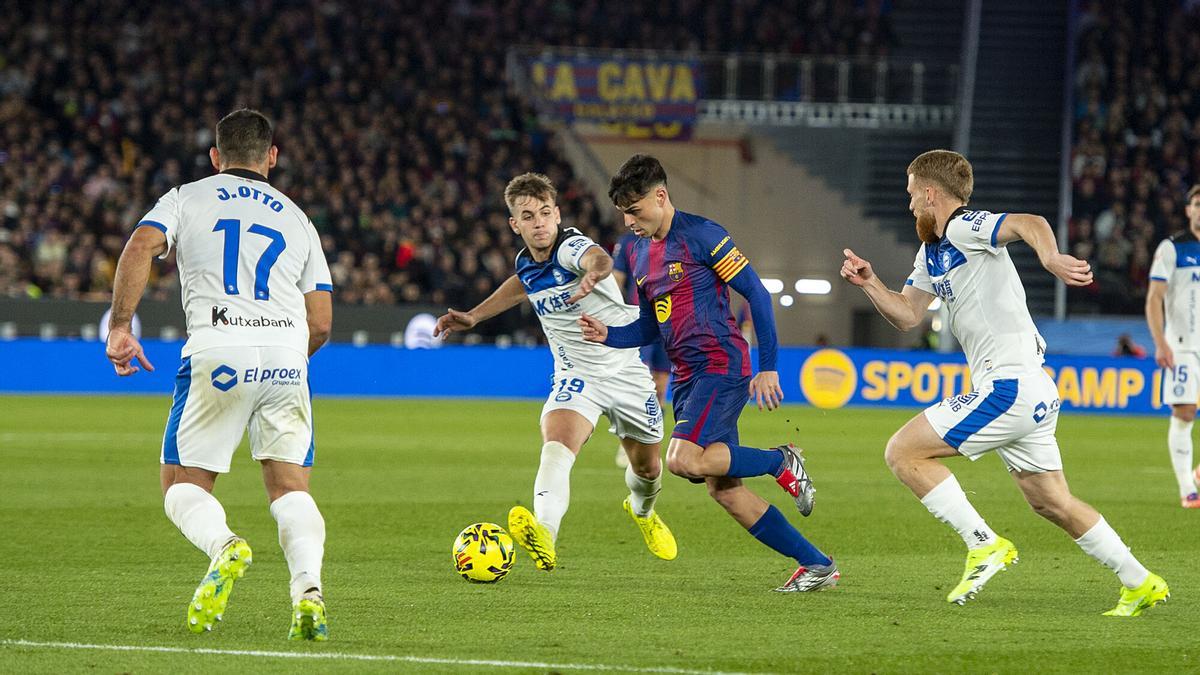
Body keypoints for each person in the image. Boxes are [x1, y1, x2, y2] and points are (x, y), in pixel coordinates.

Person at [840, 149, 1168, 616]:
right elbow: (909, 315)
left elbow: (1027, 222)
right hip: (1030, 389)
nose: (909, 201)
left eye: (912, 192)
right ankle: (1140, 581)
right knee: (1052, 503)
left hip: (1009, 385)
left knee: (903, 452)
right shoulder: (932, 249)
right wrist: (871, 283)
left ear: (930, 193)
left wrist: (1051, 257)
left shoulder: (962, 225)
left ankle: (984, 544)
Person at [105, 109, 333, 639]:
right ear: (271, 156)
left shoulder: (187, 197)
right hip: (286, 355)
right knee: (290, 487)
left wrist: (120, 326)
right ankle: (308, 592)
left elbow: (141, 246)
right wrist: (282, 355)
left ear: (216, 157)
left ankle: (225, 546)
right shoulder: (300, 218)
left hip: (217, 348)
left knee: (181, 484)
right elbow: (320, 323)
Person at [580, 154, 835, 592]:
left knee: (681, 459)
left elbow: (757, 294)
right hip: (685, 376)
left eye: (635, 210)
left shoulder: (703, 236)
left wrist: (768, 367)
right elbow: (649, 326)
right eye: (623, 213)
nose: (628, 222)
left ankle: (780, 460)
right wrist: (610, 335)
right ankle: (817, 565)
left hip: (721, 365)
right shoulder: (639, 254)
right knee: (724, 490)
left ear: (661, 196)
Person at [434, 172, 676, 570]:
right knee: (557, 446)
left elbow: (596, 257)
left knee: (648, 470)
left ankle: (643, 512)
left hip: (626, 371)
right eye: (528, 216)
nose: (540, 222)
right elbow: (521, 282)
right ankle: (544, 532)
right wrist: (474, 316)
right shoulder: (527, 263)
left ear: (558, 214)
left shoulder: (571, 247)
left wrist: (596, 273)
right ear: (515, 224)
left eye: (546, 213)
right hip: (576, 376)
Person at [1145, 185, 1200, 508]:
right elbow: (1154, 297)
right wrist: (1160, 341)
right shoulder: (1173, 248)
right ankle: (1187, 489)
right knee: (1184, 411)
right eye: (1197, 203)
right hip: (1182, 346)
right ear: (1188, 210)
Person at [612, 230, 672, 468]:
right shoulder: (628, 242)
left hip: (668, 323)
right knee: (639, 382)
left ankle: (651, 442)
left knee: (660, 386)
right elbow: (617, 278)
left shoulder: (676, 240)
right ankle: (627, 442)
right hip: (639, 321)